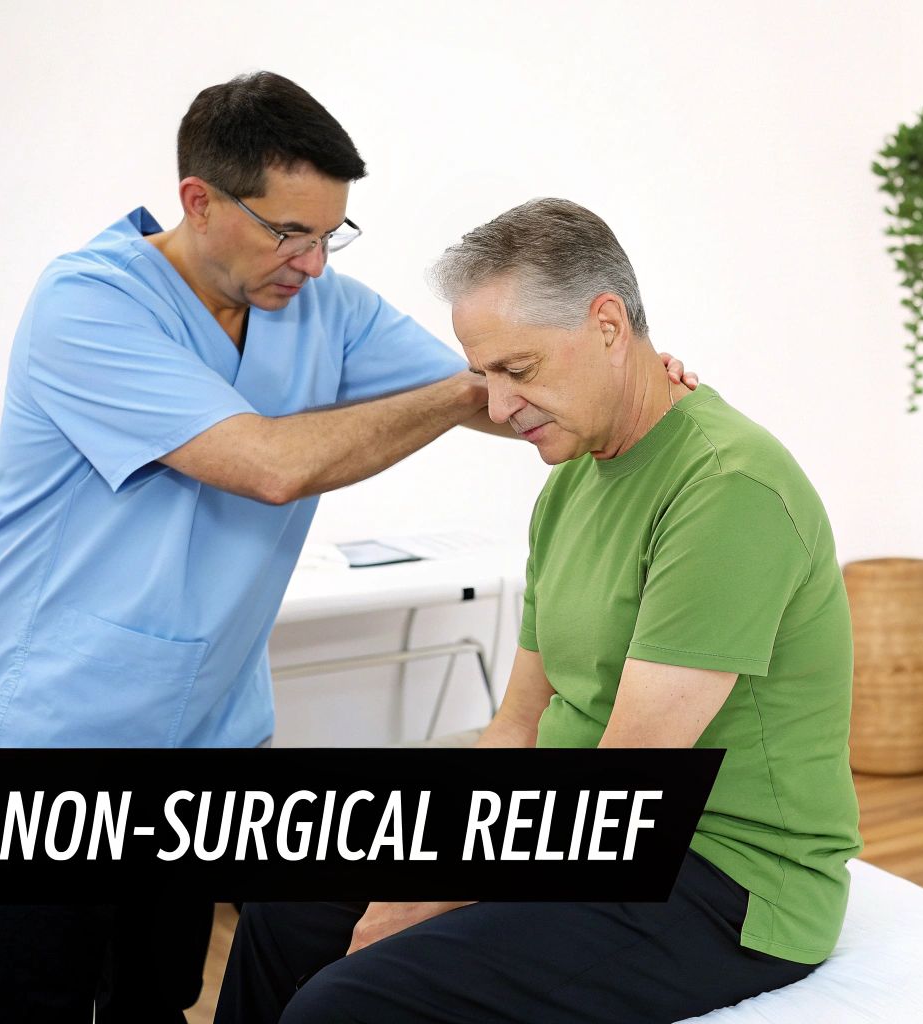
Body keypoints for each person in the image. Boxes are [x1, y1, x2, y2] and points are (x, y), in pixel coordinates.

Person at [0, 73, 694, 1023]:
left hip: (206, 728)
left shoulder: (320, 307)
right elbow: (267, 464)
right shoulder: (88, 304)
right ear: (199, 201)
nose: (312, 260)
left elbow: (502, 399)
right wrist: (482, 386)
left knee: (158, 997)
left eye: (331, 234)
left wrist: (609, 381)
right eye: (288, 231)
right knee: (27, 1007)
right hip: (54, 730)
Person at [216, 199, 861, 1024]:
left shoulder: (727, 488)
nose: (496, 405)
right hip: (571, 834)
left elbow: (628, 793)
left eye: (517, 370)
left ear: (606, 326)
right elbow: (520, 723)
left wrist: (430, 898)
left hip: (720, 876)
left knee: (346, 1006)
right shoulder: (572, 482)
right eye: (484, 375)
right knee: (289, 904)